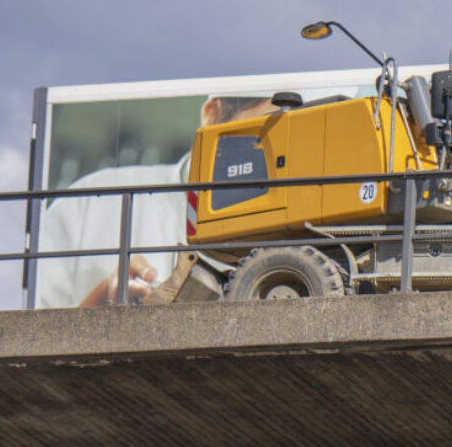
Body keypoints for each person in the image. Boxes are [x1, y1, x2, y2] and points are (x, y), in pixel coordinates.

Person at [34, 94, 281, 308]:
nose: (280, 157)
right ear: (212, 114)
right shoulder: (88, 203)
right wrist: (95, 315)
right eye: (267, 132)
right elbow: (26, 338)